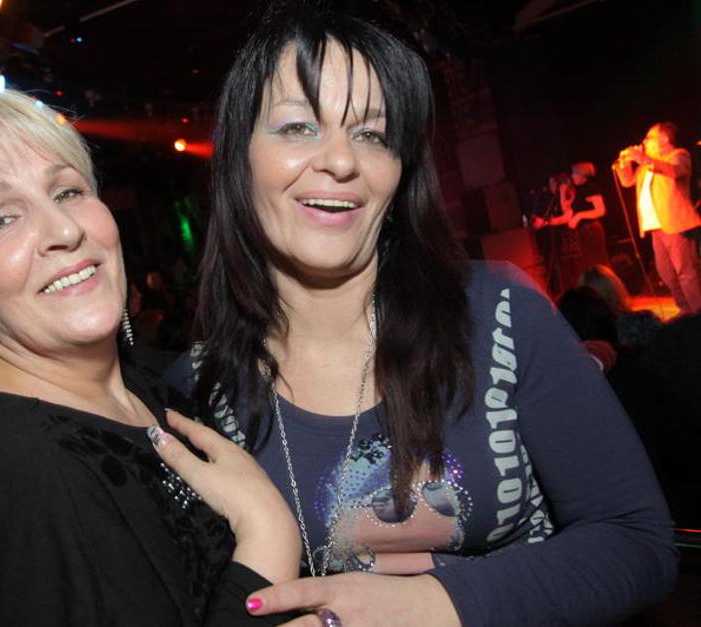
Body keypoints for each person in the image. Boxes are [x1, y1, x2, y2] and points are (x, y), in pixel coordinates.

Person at [165, 7, 677, 626]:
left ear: (400, 171)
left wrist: (428, 606)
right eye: (298, 127)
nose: (341, 161)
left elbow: (636, 542)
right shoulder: (197, 390)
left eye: (373, 135)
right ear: (238, 157)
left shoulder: (498, 314)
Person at [0, 84, 300, 626]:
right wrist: (268, 536)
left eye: (67, 191)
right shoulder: (20, 479)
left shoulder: (144, 381)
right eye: (0, 219)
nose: (64, 230)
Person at [614, 122, 701, 315]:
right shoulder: (646, 166)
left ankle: (697, 312)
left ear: (664, 139)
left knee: (685, 272)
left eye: (649, 138)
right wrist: (624, 163)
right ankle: (686, 311)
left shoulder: (678, 155)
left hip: (675, 223)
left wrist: (643, 158)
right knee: (666, 273)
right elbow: (627, 181)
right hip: (656, 227)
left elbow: (675, 171)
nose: (644, 142)